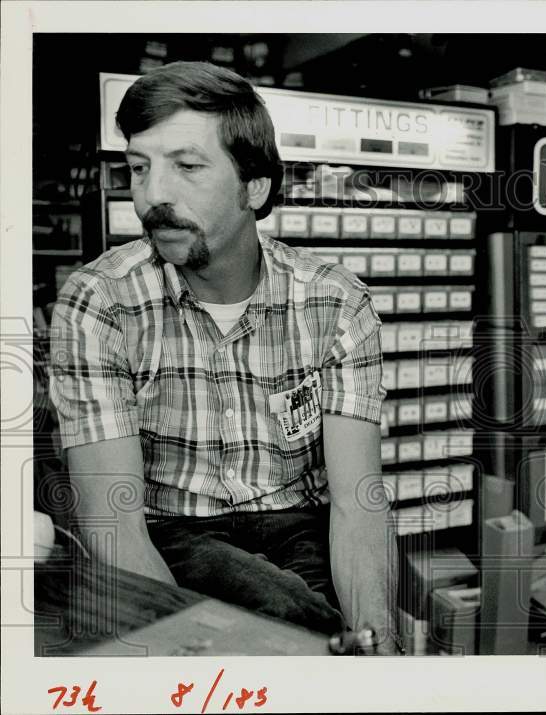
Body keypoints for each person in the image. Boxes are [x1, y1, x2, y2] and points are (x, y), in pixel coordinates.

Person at [49, 61, 400, 654]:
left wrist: (378, 644)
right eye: (140, 168)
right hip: (169, 535)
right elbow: (118, 531)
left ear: (254, 186)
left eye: (186, 167)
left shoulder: (335, 301)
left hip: (300, 528)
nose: (153, 195)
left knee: (335, 643)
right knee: (290, 635)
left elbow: (356, 505)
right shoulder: (99, 302)